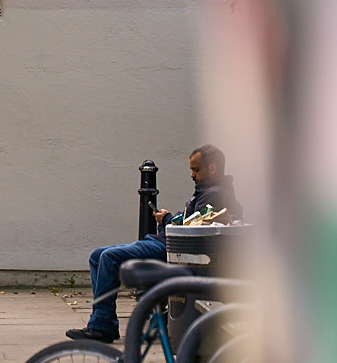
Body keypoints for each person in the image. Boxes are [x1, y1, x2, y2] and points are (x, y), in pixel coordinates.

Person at [67, 144, 239, 344]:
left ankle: (101, 326)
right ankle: (104, 322)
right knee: (97, 256)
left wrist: (167, 220)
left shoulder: (214, 193)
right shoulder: (208, 191)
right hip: (167, 243)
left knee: (108, 257)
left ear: (213, 169)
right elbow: (194, 220)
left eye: (196, 169)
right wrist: (169, 218)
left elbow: (192, 227)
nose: (192, 175)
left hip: (170, 248)